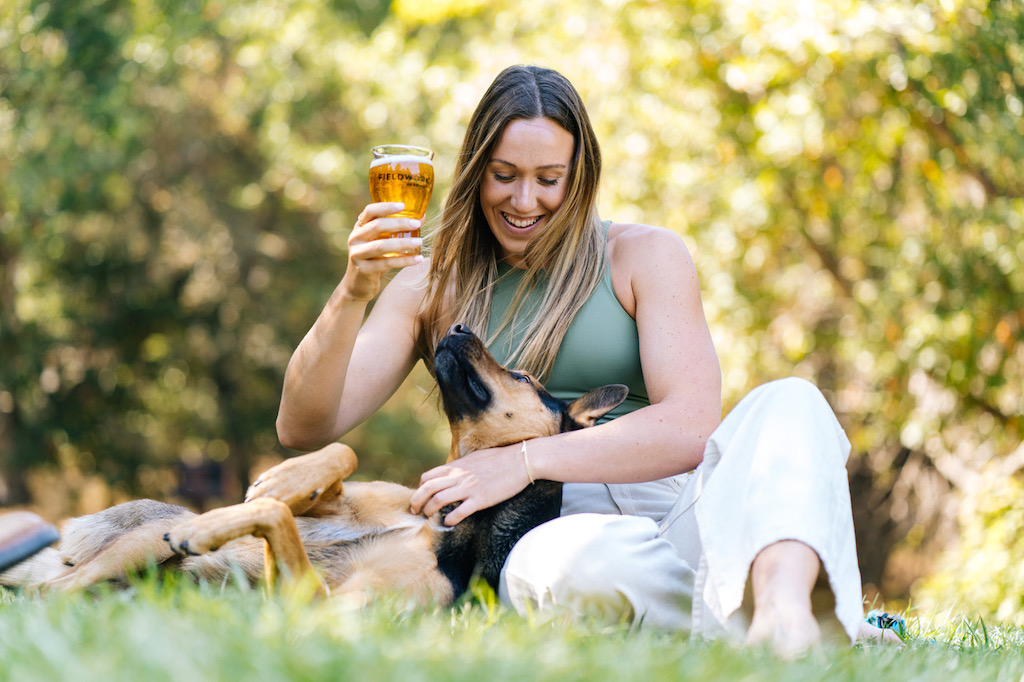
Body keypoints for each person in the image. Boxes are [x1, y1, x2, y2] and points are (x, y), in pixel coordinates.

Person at [276, 65, 899, 655]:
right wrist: (354, 290)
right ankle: (785, 617)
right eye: (504, 174)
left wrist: (523, 461)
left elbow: (689, 428)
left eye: (549, 178)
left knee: (791, 401)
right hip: (553, 531)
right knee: (578, 571)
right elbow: (304, 426)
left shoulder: (643, 256)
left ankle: (785, 614)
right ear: (473, 173)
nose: (526, 200)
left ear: (580, 176)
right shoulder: (432, 285)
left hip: (679, 505)